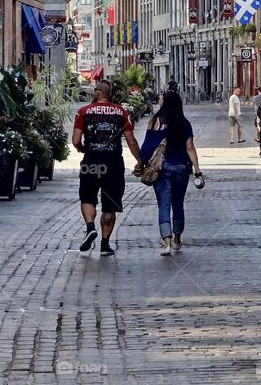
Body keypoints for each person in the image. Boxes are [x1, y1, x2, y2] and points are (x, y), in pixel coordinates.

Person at [72, 80, 141, 257]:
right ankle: (104, 244)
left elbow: (75, 140)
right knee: (109, 205)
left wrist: (82, 149)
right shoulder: (121, 112)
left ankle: (90, 227)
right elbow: (131, 141)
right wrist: (140, 160)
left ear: (98, 92)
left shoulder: (84, 112)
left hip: (91, 162)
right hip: (113, 165)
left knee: (87, 196)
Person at [143, 92, 203, 256]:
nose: (160, 101)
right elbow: (190, 147)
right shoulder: (184, 124)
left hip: (161, 168)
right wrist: (197, 170)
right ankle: (177, 238)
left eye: (162, 99)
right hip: (181, 169)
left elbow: (148, 144)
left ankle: (166, 242)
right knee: (178, 203)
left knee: (163, 204)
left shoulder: (157, 121)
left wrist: (141, 162)